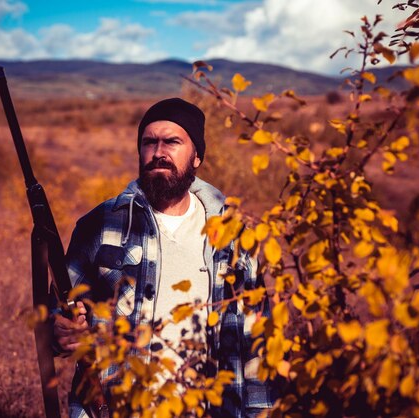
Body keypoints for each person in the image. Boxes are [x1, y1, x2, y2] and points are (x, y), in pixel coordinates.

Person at [52, 98, 274, 417]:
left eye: (172, 141)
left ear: (197, 156)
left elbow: (256, 342)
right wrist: (60, 330)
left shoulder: (233, 235)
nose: (158, 152)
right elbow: (57, 315)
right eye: (149, 142)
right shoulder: (101, 225)